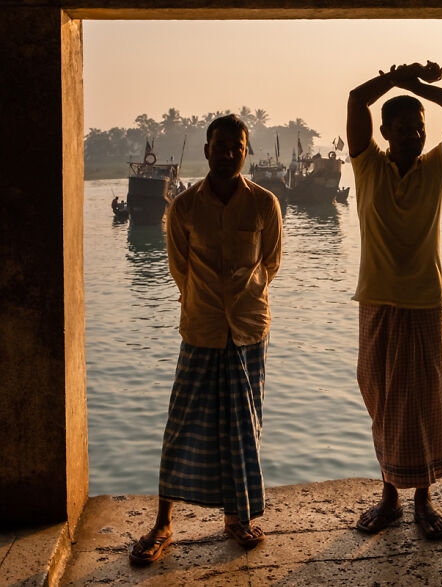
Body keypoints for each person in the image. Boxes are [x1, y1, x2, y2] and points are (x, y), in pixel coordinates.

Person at [128, 114, 283, 565]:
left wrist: (240, 299)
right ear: (206, 149)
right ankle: (163, 523)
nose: (228, 152)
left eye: (237, 146)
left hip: (250, 330)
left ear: (246, 151)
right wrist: (209, 302)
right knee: (181, 426)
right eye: (220, 145)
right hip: (201, 328)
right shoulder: (184, 207)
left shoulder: (264, 205)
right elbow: (181, 271)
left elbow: (269, 264)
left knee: (242, 428)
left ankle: (237, 517)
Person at [347, 61, 442, 540]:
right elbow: (355, 101)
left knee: (424, 403)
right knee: (383, 402)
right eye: (402, 129)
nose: (413, 136)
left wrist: (419, 87)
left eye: (419, 129)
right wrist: (394, 79)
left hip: (425, 302)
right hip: (378, 302)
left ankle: (423, 498)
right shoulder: (366, 164)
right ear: (384, 132)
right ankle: (389, 496)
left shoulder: (435, 170)